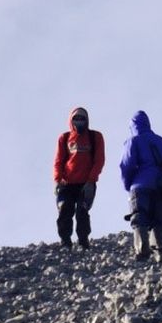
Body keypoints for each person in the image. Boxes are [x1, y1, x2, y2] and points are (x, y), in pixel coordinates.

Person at [119, 111, 162, 262]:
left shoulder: (133, 141)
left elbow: (126, 165)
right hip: (159, 186)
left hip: (140, 187)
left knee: (139, 217)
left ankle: (142, 250)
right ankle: (160, 252)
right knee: (158, 219)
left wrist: (128, 185)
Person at [53, 107, 105, 249]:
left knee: (82, 212)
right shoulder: (64, 139)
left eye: (82, 118)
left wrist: (91, 180)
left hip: (86, 183)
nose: (79, 121)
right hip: (67, 184)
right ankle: (65, 242)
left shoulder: (95, 137)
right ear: (71, 120)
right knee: (64, 210)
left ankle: (83, 241)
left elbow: (99, 160)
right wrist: (58, 180)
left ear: (87, 120)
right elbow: (58, 161)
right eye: (76, 118)